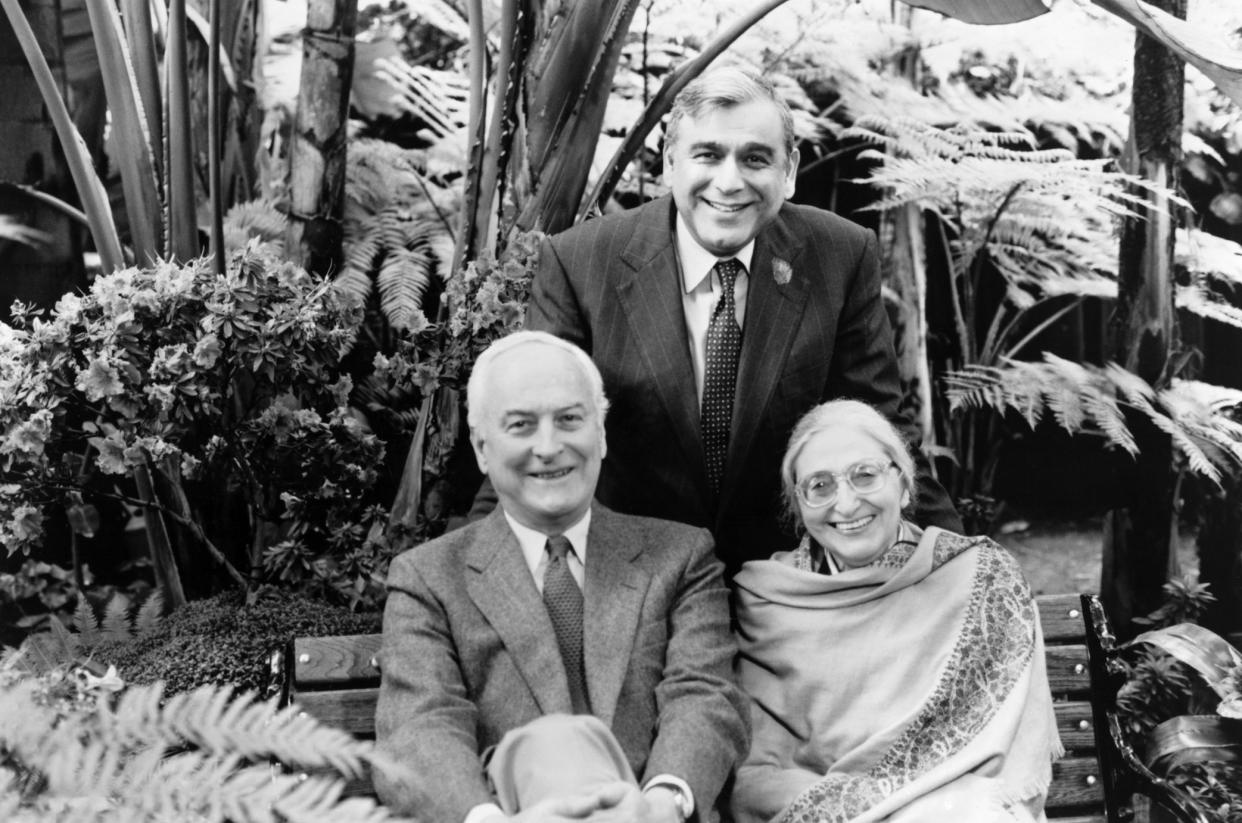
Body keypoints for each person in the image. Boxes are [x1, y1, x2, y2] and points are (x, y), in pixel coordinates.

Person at [515, 65, 960, 575]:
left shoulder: (839, 254)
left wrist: (961, 564)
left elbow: (883, 430)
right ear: (670, 163)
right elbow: (533, 443)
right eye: (707, 154)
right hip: (633, 581)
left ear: (788, 170)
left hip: (788, 579)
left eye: (755, 158)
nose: (729, 182)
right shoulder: (579, 264)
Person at [375, 330, 750, 823]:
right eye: (521, 425)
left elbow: (703, 696)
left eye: (569, 420)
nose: (548, 447)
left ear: (601, 434)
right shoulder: (428, 579)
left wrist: (660, 807)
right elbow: (420, 729)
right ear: (482, 447)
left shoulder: (680, 557)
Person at [730, 400, 1062, 823]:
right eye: (820, 486)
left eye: (864, 476)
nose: (846, 504)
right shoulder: (767, 601)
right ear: (800, 507)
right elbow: (758, 774)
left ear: (904, 485)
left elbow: (1009, 766)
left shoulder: (980, 578)